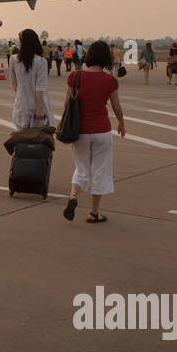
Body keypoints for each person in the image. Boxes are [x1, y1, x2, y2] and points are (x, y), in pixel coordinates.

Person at [62, 40, 125, 224]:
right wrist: (121, 123)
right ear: (106, 57)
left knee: (81, 167)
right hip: (102, 131)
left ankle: (73, 197)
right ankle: (93, 213)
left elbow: (67, 104)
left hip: (80, 131)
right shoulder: (110, 80)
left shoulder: (75, 76)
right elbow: (116, 106)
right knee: (100, 170)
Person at [9, 29, 52, 130]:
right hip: (38, 107)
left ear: (22, 42)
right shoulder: (41, 61)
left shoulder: (13, 60)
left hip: (21, 106)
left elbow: (14, 86)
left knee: (22, 141)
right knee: (39, 140)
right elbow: (40, 87)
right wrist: (40, 108)